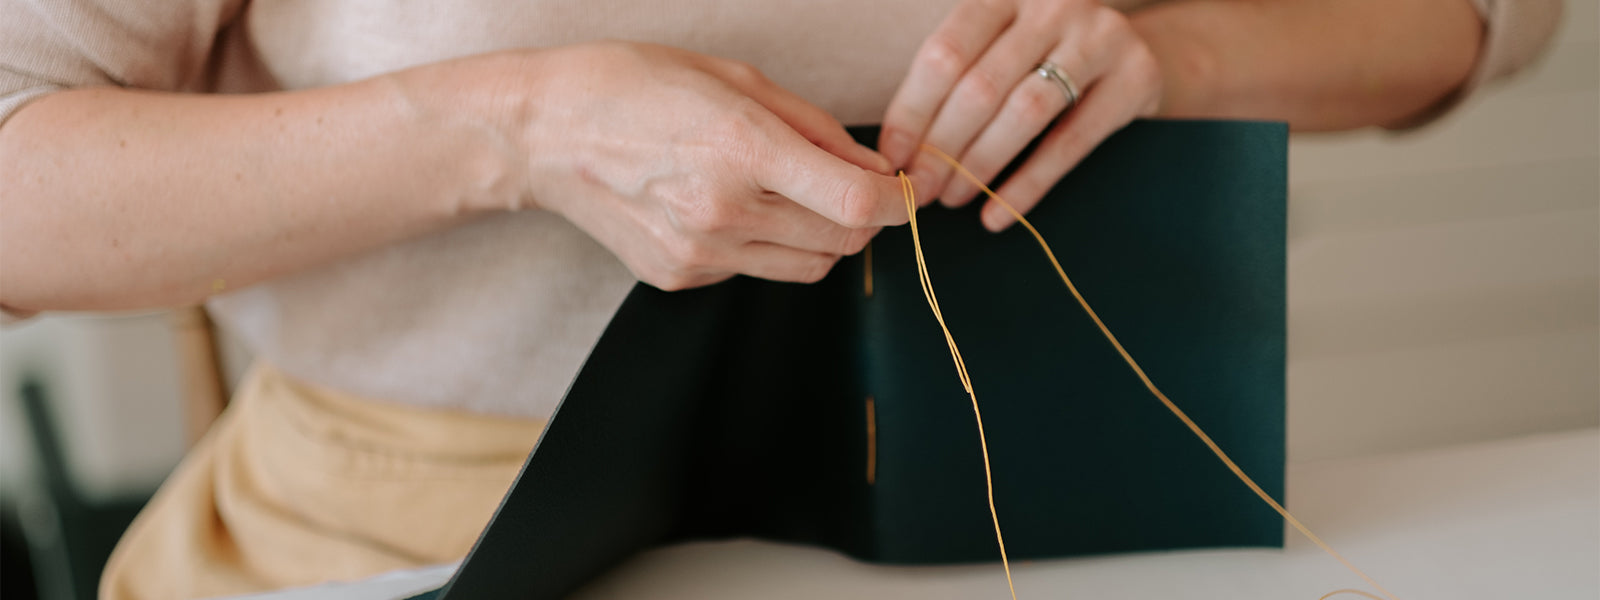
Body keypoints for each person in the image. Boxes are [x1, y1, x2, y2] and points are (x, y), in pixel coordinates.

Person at [0, 0, 1560, 598]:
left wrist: (1190, 54)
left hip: (1058, 514)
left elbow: (1489, 16)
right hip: (409, 544)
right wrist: (513, 130)